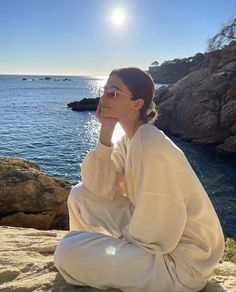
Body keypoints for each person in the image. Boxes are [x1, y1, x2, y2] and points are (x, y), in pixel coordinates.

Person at [54, 67, 225, 292]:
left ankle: (95, 258)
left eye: (113, 93)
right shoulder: (130, 139)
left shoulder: (150, 143)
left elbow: (158, 230)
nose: (103, 98)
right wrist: (106, 131)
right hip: (153, 239)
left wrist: (115, 246)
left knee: (67, 252)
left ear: (137, 104)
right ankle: (98, 256)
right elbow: (98, 186)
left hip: (181, 264)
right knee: (80, 195)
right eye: (103, 90)